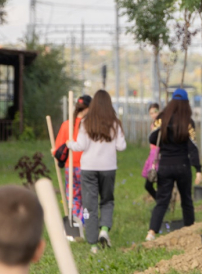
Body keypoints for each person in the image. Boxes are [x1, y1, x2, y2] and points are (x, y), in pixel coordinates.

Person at [68, 90, 127, 252]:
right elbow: (121, 146)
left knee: (89, 206)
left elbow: (80, 146)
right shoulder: (114, 123)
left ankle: (93, 244)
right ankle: (104, 230)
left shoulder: (86, 122)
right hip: (108, 168)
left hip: (88, 168)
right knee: (107, 201)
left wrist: (69, 144)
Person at [146, 89, 202, 241]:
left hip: (165, 165)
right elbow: (193, 147)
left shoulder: (162, 119)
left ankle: (151, 233)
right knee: (186, 200)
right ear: (186, 104)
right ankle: (190, 232)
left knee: (162, 201)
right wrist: (198, 169)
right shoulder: (188, 122)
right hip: (183, 166)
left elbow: (152, 138)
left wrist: (165, 139)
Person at [53, 94, 90, 227]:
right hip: (86, 166)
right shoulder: (89, 126)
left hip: (70, 167)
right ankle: (83, 222)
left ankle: (74, 224)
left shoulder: (66, 125)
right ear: (88, 108)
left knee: (73, 197)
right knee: (87, 196)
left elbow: (57, 149)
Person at [141, 103, 162, 200]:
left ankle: (162, 204)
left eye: (155, 112)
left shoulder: (161, 124)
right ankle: (161, 203)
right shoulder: (153, 124)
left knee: (155, 182)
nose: (154, 115)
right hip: (153, 154)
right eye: (151, 113)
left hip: (158, 154)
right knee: (149, 184)